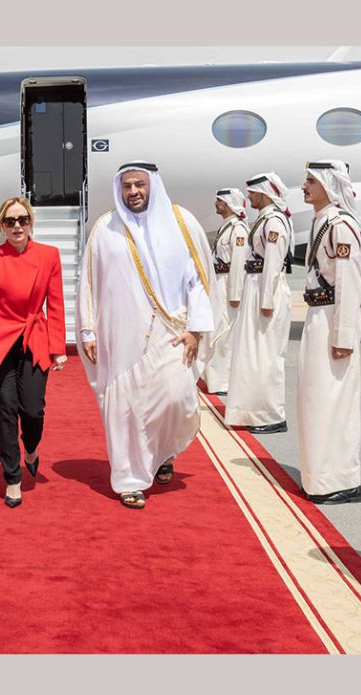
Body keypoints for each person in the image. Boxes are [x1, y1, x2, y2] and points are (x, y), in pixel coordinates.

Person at [76, 162, 214, 509]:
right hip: (120, 336)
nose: (133, 192)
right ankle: (128, 479)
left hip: (171, 332)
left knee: (176, 398)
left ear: (153, 185)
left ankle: (162, 451)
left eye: (139, 184)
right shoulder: (105, 228)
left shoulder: (181, 222)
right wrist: (87, 330)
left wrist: (196, 330)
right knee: (126, 409)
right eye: (127, 186)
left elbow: (197, 282)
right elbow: (88, 282)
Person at [0, 198, 67, 507]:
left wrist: (58, 348)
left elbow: (56, 303)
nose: (17, 226)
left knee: (33, 410)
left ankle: (31, 449)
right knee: (6, 409)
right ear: (2, 226)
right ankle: (12, 477)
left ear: (30, 222)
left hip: (34, 338)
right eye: (10, 221)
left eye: (22, 220)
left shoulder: (49, 255)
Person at [297, 160, 361, 504]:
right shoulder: (322, 221)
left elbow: (349, 284)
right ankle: (319, 476)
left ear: (329, 184)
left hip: (332, 320)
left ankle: (340, 480)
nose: (304, 186)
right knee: (315, 399)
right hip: (318, 316)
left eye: (311, 181)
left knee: (333, 400)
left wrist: (344, 336)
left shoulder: (341, 226)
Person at [224, 172, 293, 434]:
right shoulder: (265, 219)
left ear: (264, 194)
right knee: (252, 355)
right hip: (256, 288)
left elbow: (273, 263)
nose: (249, 197)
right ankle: (253, 411)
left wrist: (266, 301)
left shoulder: (274, 221)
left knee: (267, 356)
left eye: (252, 193)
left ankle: (272, 415)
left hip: (266, 292)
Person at [202, 188, 250, 396]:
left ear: (229, 204)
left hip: (228, 286)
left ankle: (224, 382)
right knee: (216, 333)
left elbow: (238, 264)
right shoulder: (227, 227)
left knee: (226, 335)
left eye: (219, 201)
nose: (216, 204)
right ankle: (215, 377)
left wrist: (235, 294)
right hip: (219, 284)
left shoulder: (238, 230)